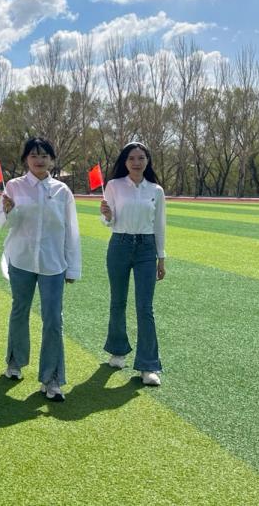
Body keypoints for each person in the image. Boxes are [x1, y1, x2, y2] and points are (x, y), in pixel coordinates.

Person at [0, 137, 80, 402]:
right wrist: (8, 211)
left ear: (52, 159)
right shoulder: (14, 186)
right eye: (33, 155)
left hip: (53, 264)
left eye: (44, 155)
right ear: (25, 160)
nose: (39, 160)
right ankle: (15, 362)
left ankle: (51, 378)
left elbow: (71, 231)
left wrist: (72, 268)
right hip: (21, 260)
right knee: (20, 310)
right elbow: (1, 222)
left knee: (53, 318)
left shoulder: (62, 191)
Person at [99, 142, 166, 386]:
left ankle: (148, 366)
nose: (136, 162)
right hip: (119, 244)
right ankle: (117, 352)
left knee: (145, 307)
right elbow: (108, 220)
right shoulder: (114, 186)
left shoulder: (156, 190)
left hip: (147, 248)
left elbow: (159, 224)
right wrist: (107, 216)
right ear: (125, 162)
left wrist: (161, 257)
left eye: (141, 158)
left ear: (147, 161)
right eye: (131, 158)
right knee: (118, 301)